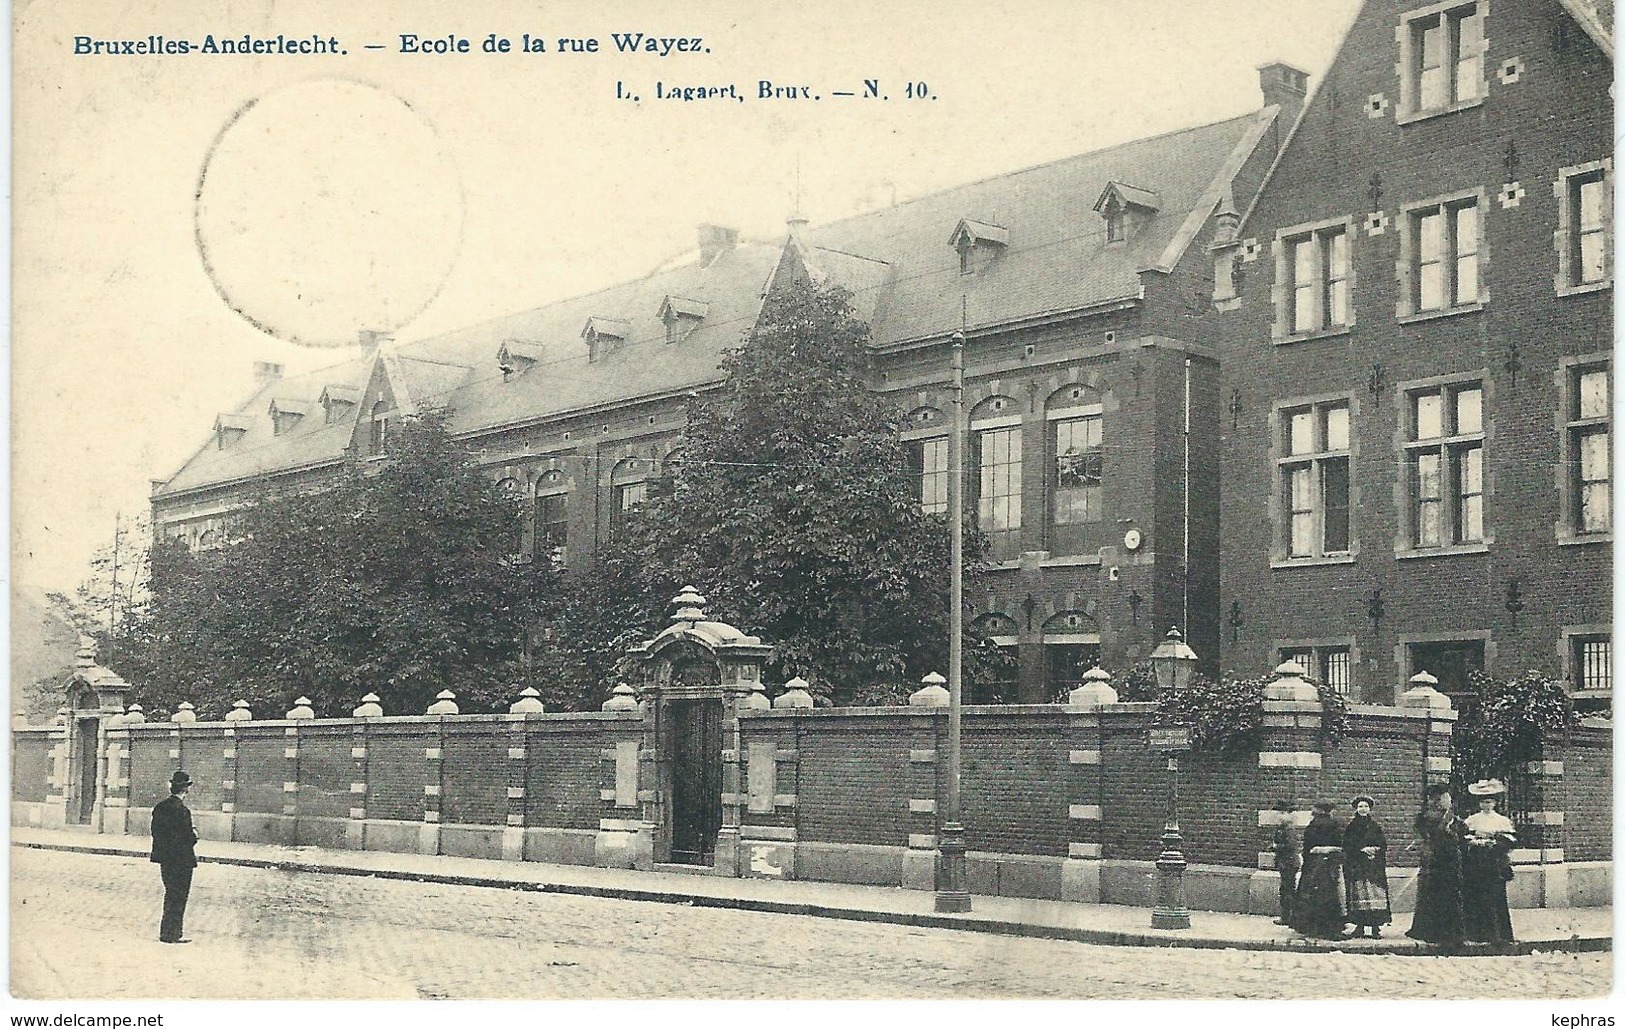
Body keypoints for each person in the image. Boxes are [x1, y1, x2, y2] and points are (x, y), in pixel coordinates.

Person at [1406, 782, 1465, 948]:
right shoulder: (1431, 817)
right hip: (1437, 861)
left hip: (1448, 860)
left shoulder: (1450, 816)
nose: (1448, 800)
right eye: (1445, 797)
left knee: (1445, 895)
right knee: (1437, 895)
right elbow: (1431, 837)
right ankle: (1439, 932)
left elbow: (1460, 833)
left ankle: (1442, 931)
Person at [1461, 778, 1517, 945]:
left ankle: (1498, 934)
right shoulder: (1471, 820)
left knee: (1495, 897)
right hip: (1476, 863)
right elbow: (1464, 838)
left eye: (1490, 801)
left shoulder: (1502, 820)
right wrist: (1473, 841)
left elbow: (1510, 841)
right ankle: (1476, 933)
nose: (1486, 805)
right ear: (1479, 803)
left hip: (1494, 864)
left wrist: (1494, 841)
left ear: (1495, 803)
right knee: (1475, 896)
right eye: (1483, 801)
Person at [150, 769, 199, 944]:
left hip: (165, 860)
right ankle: (174, 934)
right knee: (179, 897)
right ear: (185, 789)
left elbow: (156, 832)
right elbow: (187, 838)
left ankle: (166, 932)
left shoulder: (160, 807)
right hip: (182, 861)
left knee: (170, 894)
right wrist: (194, 835)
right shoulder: (182, 811)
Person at [1290, 799, 1346, 939]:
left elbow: (1307, 847)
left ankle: (1311, 927)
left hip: (1312, 864)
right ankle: (1329, 929)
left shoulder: (1312, 825)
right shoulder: (1333, 824)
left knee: (1310, 894)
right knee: (1328, 896)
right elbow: (1339, 845)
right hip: (1327, 864)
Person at [1342, 795, 1392, 938]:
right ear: (1356, 809)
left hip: (1373, 867)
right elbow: (1347, 846)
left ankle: (1376, 928)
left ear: (1370, 809)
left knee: (1376, 895)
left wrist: (1375, 850)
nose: (1363, 809)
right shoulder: (1351, 827)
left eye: (1365, 807)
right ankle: (1360, 927)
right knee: (1360, 895)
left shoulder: (1375, 827)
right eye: (1360, 807)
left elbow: (1383, 844)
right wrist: (1360, 850)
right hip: (1359, 867)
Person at [1271, 800, 1300, 926]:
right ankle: (1288, 915)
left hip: (1288, 862)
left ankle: (1288, 917)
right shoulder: (1284, 828)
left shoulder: (1288, 828)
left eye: (1281, 813)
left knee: (1287, 890)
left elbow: (1290, 845)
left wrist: (1276, 846)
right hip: (1286, 862)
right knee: (1286, 889)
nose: (1278, 816)